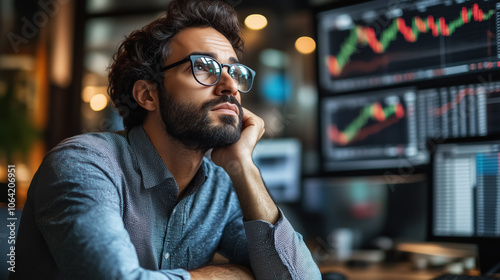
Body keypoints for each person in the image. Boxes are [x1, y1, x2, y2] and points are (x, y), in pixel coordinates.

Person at [12, 0, 321, 279]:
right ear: (147, 95)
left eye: (235, 70)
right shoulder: (83, 163)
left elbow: (300, 277)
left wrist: (243, 166)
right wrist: (221, 276)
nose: (230, 86)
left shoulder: (219, 186)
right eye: (204, 67)